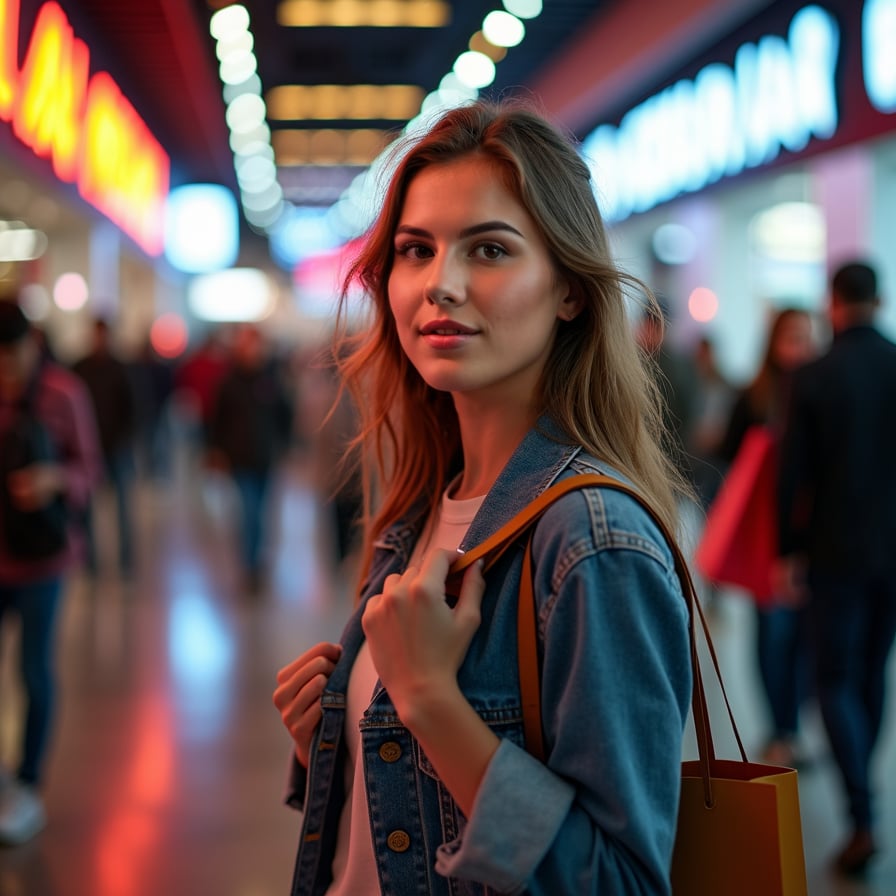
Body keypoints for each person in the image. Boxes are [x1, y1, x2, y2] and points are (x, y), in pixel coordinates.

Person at [273, 101, 693, 895]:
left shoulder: (591, 541)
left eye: (490, 249)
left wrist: (428, 698)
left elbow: (621, 882)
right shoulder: (423, 504)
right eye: (415, 250)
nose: (442, 285)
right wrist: (339, 738)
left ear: (570, 289)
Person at [777, 260, 896, 877]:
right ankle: (864, 798)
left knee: (832, 677)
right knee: (873, 671)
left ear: (833, 301)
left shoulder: (814, 375)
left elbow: (791, 471)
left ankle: (862, 812)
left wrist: (784, 550)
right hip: (892, 550)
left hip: (834, 551)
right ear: (878, 299)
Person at [0, 298, 101, 844]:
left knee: (34, 672)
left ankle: (28, 784)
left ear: (30, 345)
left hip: (43, 559)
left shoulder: (63, 393)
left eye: (11, 358)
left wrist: (53, 480)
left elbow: (90, 470)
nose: (5, 372)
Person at [717, 308, 816, 766]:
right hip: (764, 538)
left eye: (809, 337)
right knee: (774, 635)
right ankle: (780, 730)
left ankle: (792, 726)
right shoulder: (755, 396)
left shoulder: (822, 391)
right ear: (774, 341)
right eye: (793, 336)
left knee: (804, 638)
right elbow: (728, 456)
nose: (802, 346)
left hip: (813, 537)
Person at [207, 324, 293, 594]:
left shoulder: (270, 379)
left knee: (262, 514)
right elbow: (216, 421)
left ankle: (256, 561)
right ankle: (250, 565)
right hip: (239, 459)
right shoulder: (228, 382)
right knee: (249, 513)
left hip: (265, 457)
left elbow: (285, 414)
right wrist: (216, 451)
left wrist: (284, 444)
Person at [72, 317, 138, 577]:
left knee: (123, 509)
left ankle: (126, 562)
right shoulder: (80, 367)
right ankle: (90, 562)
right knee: (86, 510)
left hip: (116, 450)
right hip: (89, 451)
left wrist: (122, 441)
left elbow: (133, 409)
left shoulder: (122, 369)